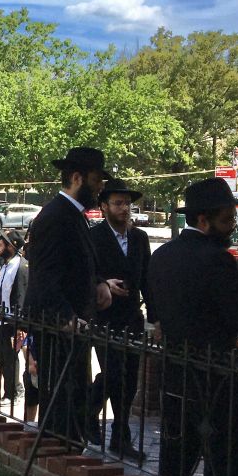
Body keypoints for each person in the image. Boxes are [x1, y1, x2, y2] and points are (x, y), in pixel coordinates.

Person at [147, 177, 238, 476]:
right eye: (227, 220)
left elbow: (156, 312)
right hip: (216, 374)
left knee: (176, 449)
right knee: (226, 454)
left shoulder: (162, 256)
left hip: (175, 370)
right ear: (203, 220)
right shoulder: (218, 260)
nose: (232, 227)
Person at [23, 146, 112, 449]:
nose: (100, 187)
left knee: (75, 398)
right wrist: (65, 317)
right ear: (77, 178)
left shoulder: (74, 216)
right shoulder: (56, 217)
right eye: (96, 180)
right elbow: (45, 276)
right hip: (58, 327)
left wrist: (99, 283)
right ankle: (58, 459)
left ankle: (68, 453)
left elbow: (76, 265)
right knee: (62, 403)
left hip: (73, 326)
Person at [87, 178, 155, 461]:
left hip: (131, 318)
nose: (124, 208)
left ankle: (117, 434)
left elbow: (148, 280)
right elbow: (84, 274)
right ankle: (94, 415)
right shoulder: (94, 237)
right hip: (104, 318)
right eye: (117, 203)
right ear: (104, 206)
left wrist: (155, 318)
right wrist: (103, 283)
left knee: (129, 379)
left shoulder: (139, 238)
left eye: (127, 203)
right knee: (114, 375)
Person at [0, 229, 29, 405]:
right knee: (1, 357)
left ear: (12, 247)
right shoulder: (3, 265)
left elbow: (21, 296)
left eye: (2, 244)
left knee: (10, 358)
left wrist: (20, 325)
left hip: (10, 321)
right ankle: (10, 390)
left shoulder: (21, 267)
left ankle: (14, 393)